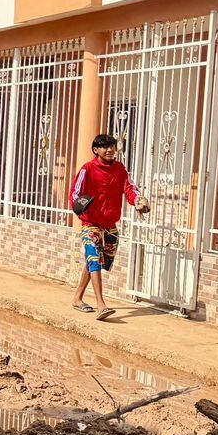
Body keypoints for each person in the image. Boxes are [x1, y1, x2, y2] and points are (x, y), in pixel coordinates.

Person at [69, 133, 147, 321]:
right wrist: (79, 206)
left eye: (112, 146)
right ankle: (101, 305)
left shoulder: (120, 169)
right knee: (94, 258)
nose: (110, 150)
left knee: (95, 261)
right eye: (105, 147)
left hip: (110, 225)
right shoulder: (87, 169)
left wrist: (138, 200)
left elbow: (129, 188)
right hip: (91, 223)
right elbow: (75, 193)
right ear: (96, 150)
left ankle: (77, 298)